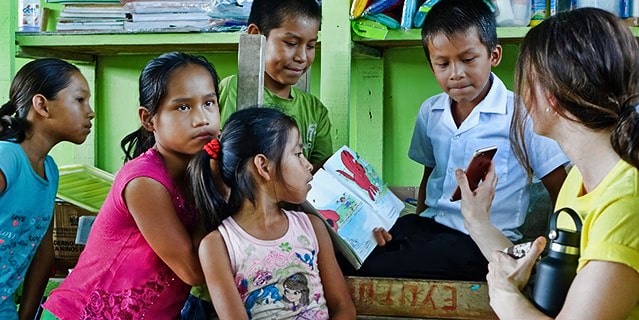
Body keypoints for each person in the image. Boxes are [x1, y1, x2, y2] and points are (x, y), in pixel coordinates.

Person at [349, 0, 569, 281]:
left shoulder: (521, 113)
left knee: (375, 268)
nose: (456, 73)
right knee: (359, 249)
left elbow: (558, 186)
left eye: (468, 59)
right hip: (431, 227)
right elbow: (430, 176)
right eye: (443, 63)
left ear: (494, 55)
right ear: (431, 65)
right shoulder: (431, 111)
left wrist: (556, 251)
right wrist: (414, 227)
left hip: (482, 242)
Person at [456, 8, 639, 318]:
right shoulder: (579, 179)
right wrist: (477, 220)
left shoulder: (627, 201)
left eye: (526, 82)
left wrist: (502, 294)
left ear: (552, 96)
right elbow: (541, 279)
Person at [42, 52, 221, 319]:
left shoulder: (199, 173)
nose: (202, 119)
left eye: (209, 103)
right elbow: (193, 270)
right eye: (183, 107)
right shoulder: (144, 181)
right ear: (148, 119)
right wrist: (215, 185)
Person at [188, 107, 356, 319]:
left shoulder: (312, 227)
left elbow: (343, 307)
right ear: (263, 166)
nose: (308, 165)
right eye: (297, 154)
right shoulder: (218, 245)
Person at [0, 58, 94, 320]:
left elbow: (43, 253)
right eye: (79, 100)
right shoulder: (6, 158)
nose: (90, 111)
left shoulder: (50, 171)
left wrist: (27, 316)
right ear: (42, 105)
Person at [218, 0, 333, 172]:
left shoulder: (315, 110)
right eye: (291, 43)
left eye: (310, 46)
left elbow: (320, 176)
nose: (302, 57)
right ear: (256, 35)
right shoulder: (233, 89)